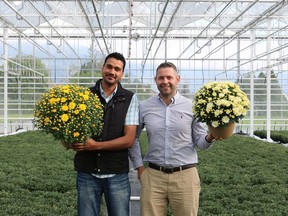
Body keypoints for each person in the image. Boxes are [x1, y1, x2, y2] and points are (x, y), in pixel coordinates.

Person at [129, 62, 217, 216]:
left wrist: (211, 136)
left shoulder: (192, 107)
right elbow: (132, 138)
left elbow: (201, 142)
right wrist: (139, 167)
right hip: (154, 176)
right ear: (155, 80)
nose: (165, 81)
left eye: (169, 77)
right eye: (161, 78)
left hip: (185, 176)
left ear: (177, 79)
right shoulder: (144, 107)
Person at [70, 52, 139, 216]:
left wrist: (95, 146)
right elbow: (73, 131)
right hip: (87, 171)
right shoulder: (84, 96)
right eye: (109, 66)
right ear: (102, 68)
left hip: (117, 173)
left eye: (117, 69)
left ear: (122, 73)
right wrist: (69, 142)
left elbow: (129, 140)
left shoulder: (129, 99)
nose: (112, 72)